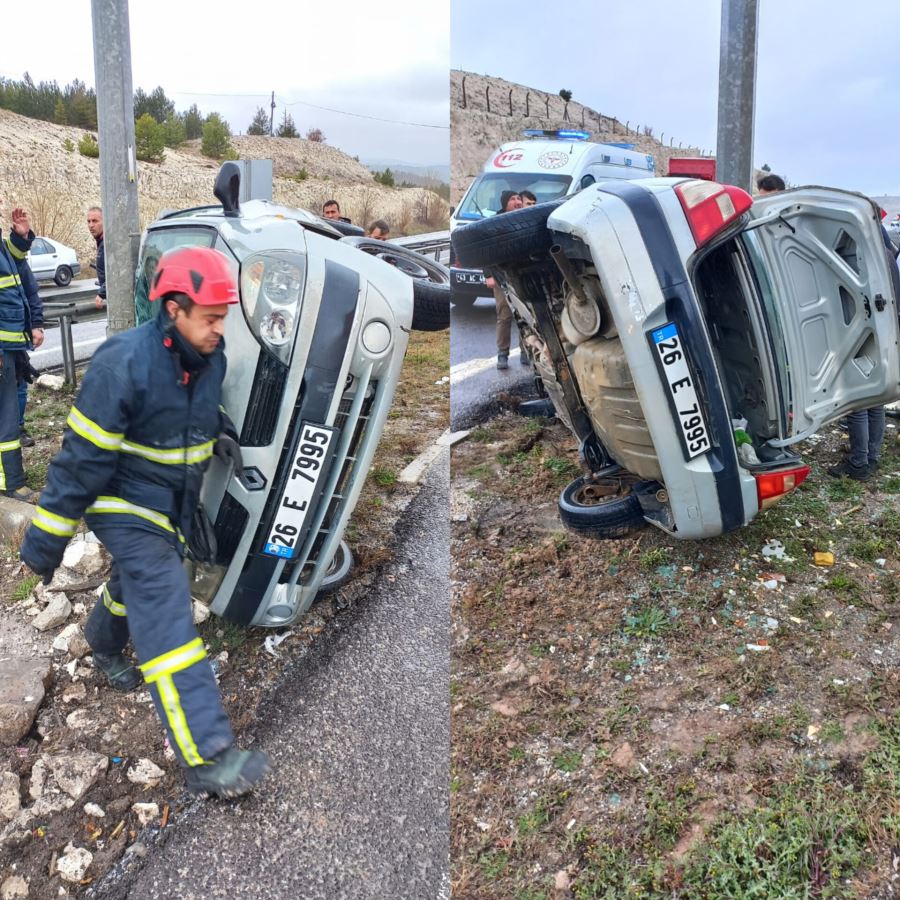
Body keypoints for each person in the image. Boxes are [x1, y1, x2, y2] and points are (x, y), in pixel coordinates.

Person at [20, 246, 271, 799]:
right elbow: (80, 459)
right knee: (165, 609)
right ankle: (207, 758)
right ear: (174, 309)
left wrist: (220, 429)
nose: (218, 328)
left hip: (168, 503)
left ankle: (102, 639)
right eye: (209, 318)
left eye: (222, 317)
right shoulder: (122, 363)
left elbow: (198, 410)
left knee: (136, 582)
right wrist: (45, 542)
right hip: (120, 502)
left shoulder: (211, 356)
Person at [0, 201, 44, 500]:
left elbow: (17, 263)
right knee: (5, 419)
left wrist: (20, 236)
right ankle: (11, 484)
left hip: (10, 346)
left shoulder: (3, 248)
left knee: (8, 414)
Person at [489, 191, 524, 369]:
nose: (517, 201)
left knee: (526, 315)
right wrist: (488, 275)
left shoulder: (525, 219)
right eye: (513, 199)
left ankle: (527, 351)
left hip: (522, 275)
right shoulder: (493, 224)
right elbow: (484, 252)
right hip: (501, 276)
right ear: (505, 204)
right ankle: (502, 354)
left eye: (519, 198)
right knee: (505, 315)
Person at [16, 261, 44, 448]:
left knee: (19, 386)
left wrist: (36, 324)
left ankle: (18, 428)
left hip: (14, 338)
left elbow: (31, 293)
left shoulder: (11, 254)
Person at [87, 206, 106, 310]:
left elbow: (116, 274)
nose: (91, 225)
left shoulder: (108, 244)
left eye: (95, 221)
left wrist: (101, 294)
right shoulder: (101, 243)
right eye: (89, 221)